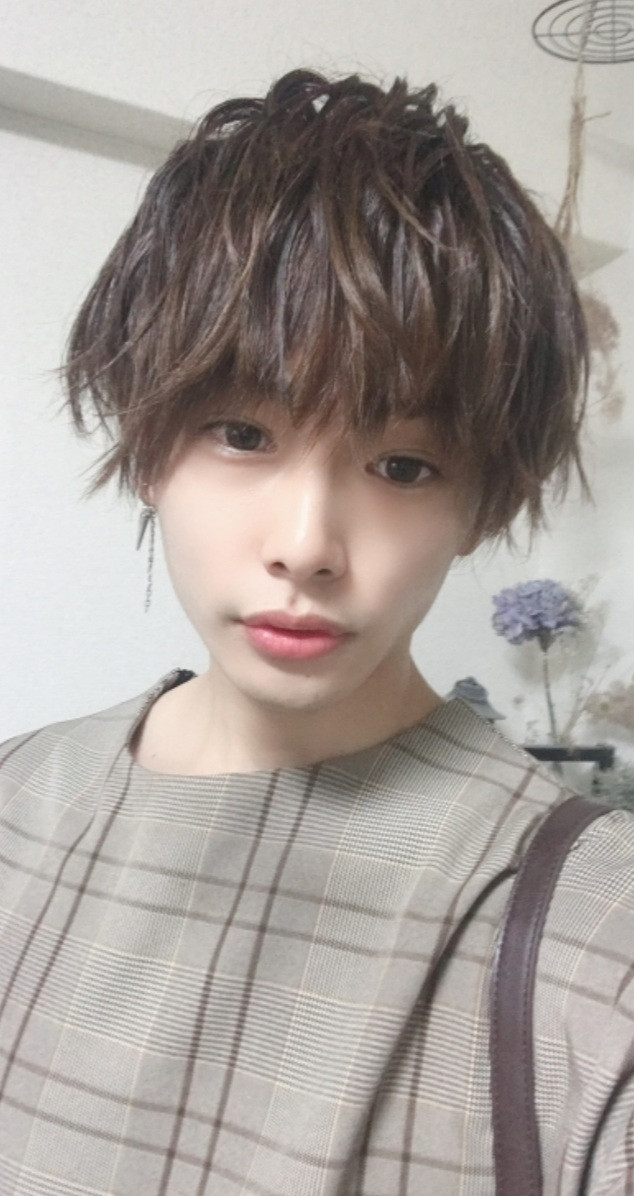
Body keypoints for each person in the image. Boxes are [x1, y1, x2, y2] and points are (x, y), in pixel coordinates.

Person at [1, 67, 632, 1196]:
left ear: (484, 503)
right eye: (242, 433)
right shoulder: (16, 798)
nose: (307, 544)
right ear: (148, 444)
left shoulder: (591, 927)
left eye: (403, 464)